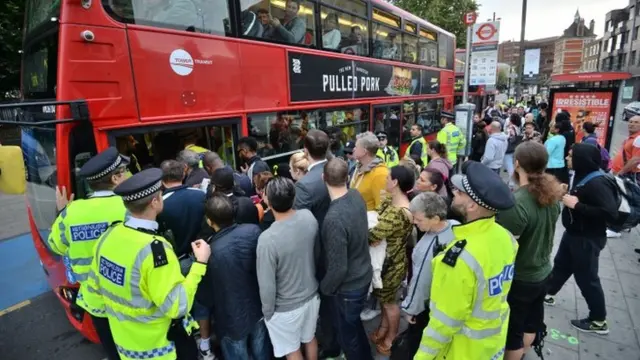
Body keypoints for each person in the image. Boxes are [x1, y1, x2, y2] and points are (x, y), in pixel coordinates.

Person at [84, 168, 211, 360]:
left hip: (125, 346)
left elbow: (96, 293)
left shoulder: (108, 236)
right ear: (154, 202)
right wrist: (200, 264)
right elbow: (178, 306)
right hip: (162, 348)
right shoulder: (154, 251)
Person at [415, 161, 517, 359]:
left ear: (472, 206)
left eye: (460, 193)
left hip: (461, 351)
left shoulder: (458, 260)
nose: (454, 193)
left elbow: (442, 325)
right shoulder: (506, 237)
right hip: (491, 346)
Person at [48, 147, 129, 360]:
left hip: (94, 299)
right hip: (127, 295)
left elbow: (56, 246)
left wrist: (61, 213)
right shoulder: (129, 206)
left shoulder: (71, 212)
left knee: (111, 347)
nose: (128, 175)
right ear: (115, 177)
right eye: (125, 171)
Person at [496, 142, 563, 360]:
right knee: (530, 322)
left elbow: (505, 248)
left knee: (512, 333)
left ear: (516, 164)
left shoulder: (516, 203)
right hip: (543, 272)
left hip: (521, 278)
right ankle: (525, 354)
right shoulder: (552, 195)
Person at [544, 144, 618, 334]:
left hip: (588, 239)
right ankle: (548, 293)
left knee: (587, 278)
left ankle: (598, 320)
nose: (567, 159)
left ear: (582, 159)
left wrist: (577, 206)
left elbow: (610, 213)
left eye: (570, 156)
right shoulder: (582, 174)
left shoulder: (598, 183)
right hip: (575, 233)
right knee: (561, 264)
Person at [199, 194, 271, 360]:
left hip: (231, 320)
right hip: (259, 308)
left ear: (209, 221)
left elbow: (206, 297)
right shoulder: (253, 231)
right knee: (262, 353)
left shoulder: (209, 252)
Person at [257, 177, 321, 360]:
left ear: (267, 200)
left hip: (285, 308)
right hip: (312, 294)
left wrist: (268, 313)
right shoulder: (308, 217)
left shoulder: (267, 239)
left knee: (292, 349)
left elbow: (266, 283)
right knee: (310, 338)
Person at [320, 158, 373, 360]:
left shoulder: (333, 219)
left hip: (349, 287)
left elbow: (338, 268)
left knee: (348, 337)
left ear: (323, 177)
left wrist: (325, 288)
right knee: (355, 326)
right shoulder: (355, 195)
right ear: (348, 177)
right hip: (363, 275)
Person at [396, 192, 458, 359]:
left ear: (436, 219)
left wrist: (410, 309)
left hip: (427, 307)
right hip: (448, 303)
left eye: (419, 219)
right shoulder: (455, 226)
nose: (414, 223)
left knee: (418, 346)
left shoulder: (427, 247)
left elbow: (420, 283)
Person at [369, 166, 415, 356]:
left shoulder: (397, 212)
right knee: (385, 300)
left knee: (390, 304)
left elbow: (373, 234)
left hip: (391, 265)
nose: (385, 180)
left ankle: (391, 338)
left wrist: (375, 232)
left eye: (388, 178)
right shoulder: (394, 201)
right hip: (391, 262)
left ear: (395, 182)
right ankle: (383, 329)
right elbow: (379, 215)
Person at [157, 160, 206, 259]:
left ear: (161, 179)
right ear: (184, 174)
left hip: (177, 257)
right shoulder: (200, 194)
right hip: (203, 252)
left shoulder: (159, 205)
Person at [350, 131, 390, 211]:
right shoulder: (358, 168)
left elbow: (382, 209)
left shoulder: (380, 174)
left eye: (356, 147)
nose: (353, 149)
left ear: (365, 151)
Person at [504, 113, 523, 185]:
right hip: (515, 148)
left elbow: (511, 138)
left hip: (509, 148)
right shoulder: (517, 127)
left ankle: (512, 182)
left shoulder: (511, 128)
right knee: (512, 164)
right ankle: (511, 181)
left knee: (509, 165)